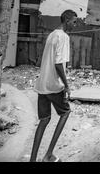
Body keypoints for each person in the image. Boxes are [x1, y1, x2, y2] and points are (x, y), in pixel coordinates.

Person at [30, 9, 78, 162]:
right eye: (74, 22)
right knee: (65, 113)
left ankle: (32, 159)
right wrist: (66, 85)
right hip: (53, 84)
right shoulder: (63, 37)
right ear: (67, 20)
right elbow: (58, 64)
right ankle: (48, 155)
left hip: (42, 84)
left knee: (44, 120)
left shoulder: (52, 34)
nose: (75, 25)